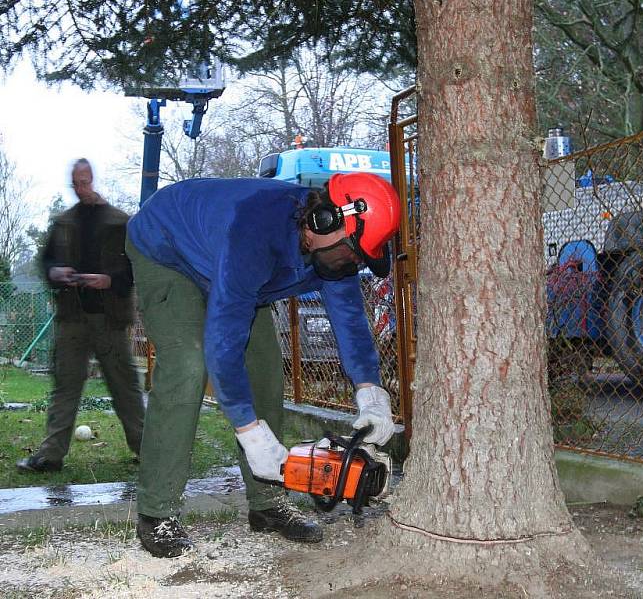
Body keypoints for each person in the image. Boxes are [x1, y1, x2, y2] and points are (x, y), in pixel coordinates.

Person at [126, 172, 400, 558]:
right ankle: (157, 513)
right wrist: (248, 430)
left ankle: (268, 505)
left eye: (358, 257)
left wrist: (370, 392)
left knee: (266, 376)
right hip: (168, 248)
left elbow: (351, 321)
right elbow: (223, 345)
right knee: (188, 363)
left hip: (229, 267)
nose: (350, 263)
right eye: (350, 252)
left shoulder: (334, 250)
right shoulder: (255, 231)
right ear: (324, 219)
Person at [17, 159, 145, 473]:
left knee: (125, 386)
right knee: (65, 387)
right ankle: (50, 456)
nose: (82, 186)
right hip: (71, 319)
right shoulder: (63, 222)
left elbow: (137, 267)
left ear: (93, 178)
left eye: (85, 180)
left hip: (110, 320)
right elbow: (45, 263)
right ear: (72, 183)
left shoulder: (120, 222)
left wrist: (109, 280)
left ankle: (148, 450)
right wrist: (55, 271)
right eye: (76, 182)